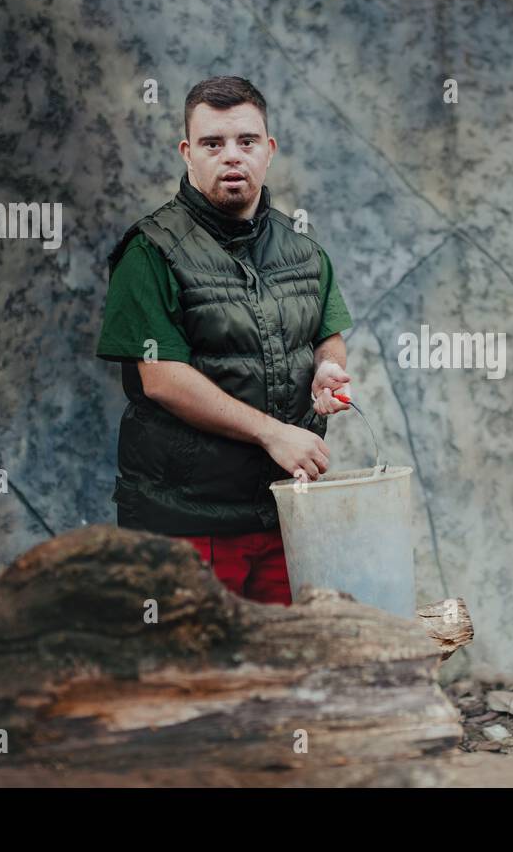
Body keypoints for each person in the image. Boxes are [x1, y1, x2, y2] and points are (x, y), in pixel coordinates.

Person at [95, 76, 354, 604]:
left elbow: (327, 335)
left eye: (246, 141)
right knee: (189, 679)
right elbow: (163, 379)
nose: (231, 156)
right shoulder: (150, 252)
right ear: (188, 153)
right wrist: (273, 434)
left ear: (269, 150)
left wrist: (327, 369)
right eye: (213, 143)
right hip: (186, 522)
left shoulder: (305, 252)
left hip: (284, 513)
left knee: (279, 672)